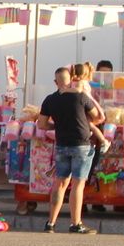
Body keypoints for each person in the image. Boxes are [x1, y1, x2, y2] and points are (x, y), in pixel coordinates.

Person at [38, 65, 102, 234]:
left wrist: (57, 125)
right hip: (81, 144)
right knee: (77, 185)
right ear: (71, 80)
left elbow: (42, 124)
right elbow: (97, 116)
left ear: (55, 82)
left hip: (62, 144)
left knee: (60, 183)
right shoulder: (81, 97)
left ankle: (50, 223)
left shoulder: (49, 100)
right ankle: (75, 223)